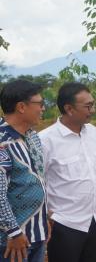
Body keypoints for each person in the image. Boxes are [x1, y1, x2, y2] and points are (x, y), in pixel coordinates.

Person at [39, 82, 96, 262]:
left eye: (93, 104)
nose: (93, 110)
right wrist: (47, 217)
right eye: (88, 106)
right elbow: (39, 182)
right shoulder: (45, 140)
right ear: (69, 108)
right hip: (66, 223)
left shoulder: (94, 132)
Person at [0, 80, 48, 262]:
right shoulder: (3, 142)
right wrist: (13, 232)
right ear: (21, 106)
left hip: (36, 233)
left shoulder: (33, 136)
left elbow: (39, 179)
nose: (43, 108)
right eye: (40, 104)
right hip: (12, 241)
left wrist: (43, 220)